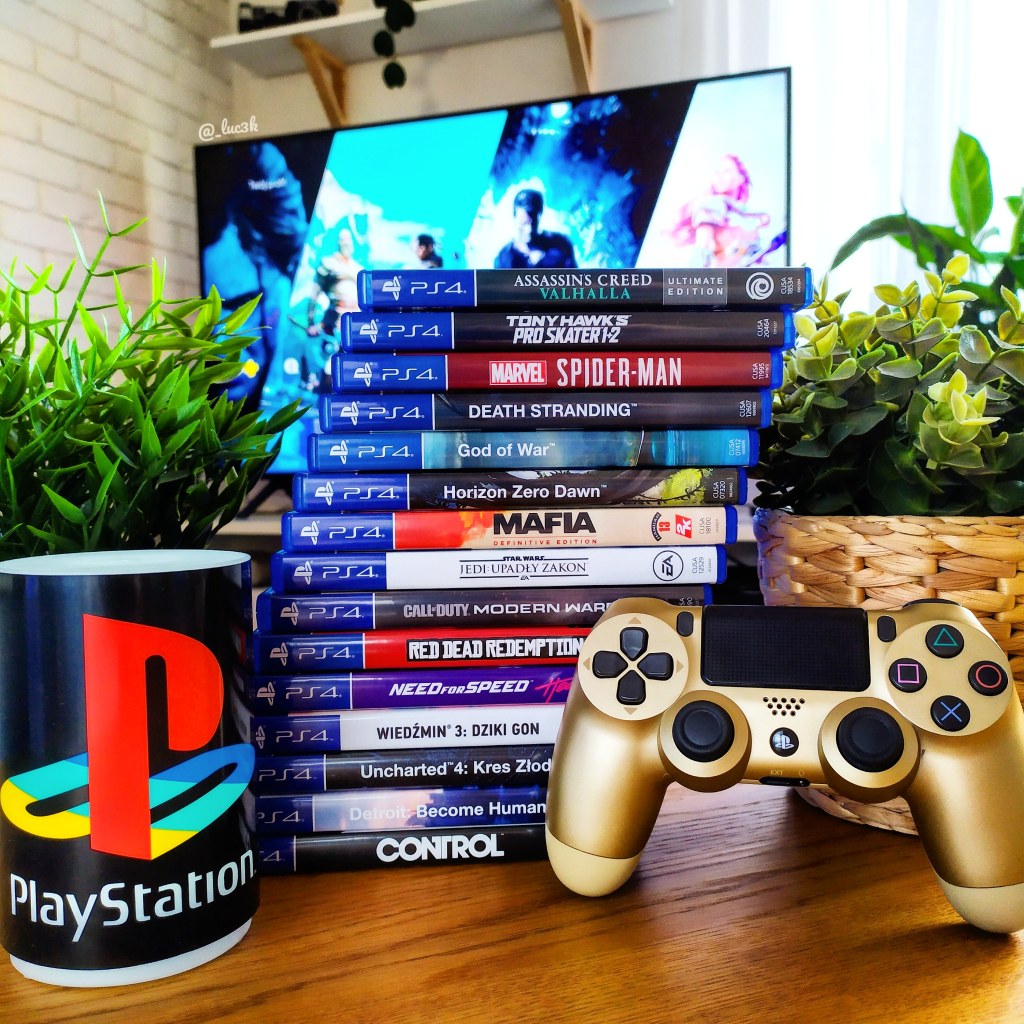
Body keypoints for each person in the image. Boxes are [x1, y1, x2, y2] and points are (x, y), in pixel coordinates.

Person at [494, 188, 576, 269]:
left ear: (540, 215)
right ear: (514, 216)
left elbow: (574, 275)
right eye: (524, 223)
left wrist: (547, 261)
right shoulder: (505, 257)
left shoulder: (561, 244)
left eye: (533, 222)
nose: (529, 229)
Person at [307, 227, 363, 338]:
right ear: (338, 242)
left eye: (348, 239)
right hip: (333, 322)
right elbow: (314, 294)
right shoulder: (328, 264)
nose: (346, 243)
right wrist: (311, 323)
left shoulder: (358, 269)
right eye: (342, 239)